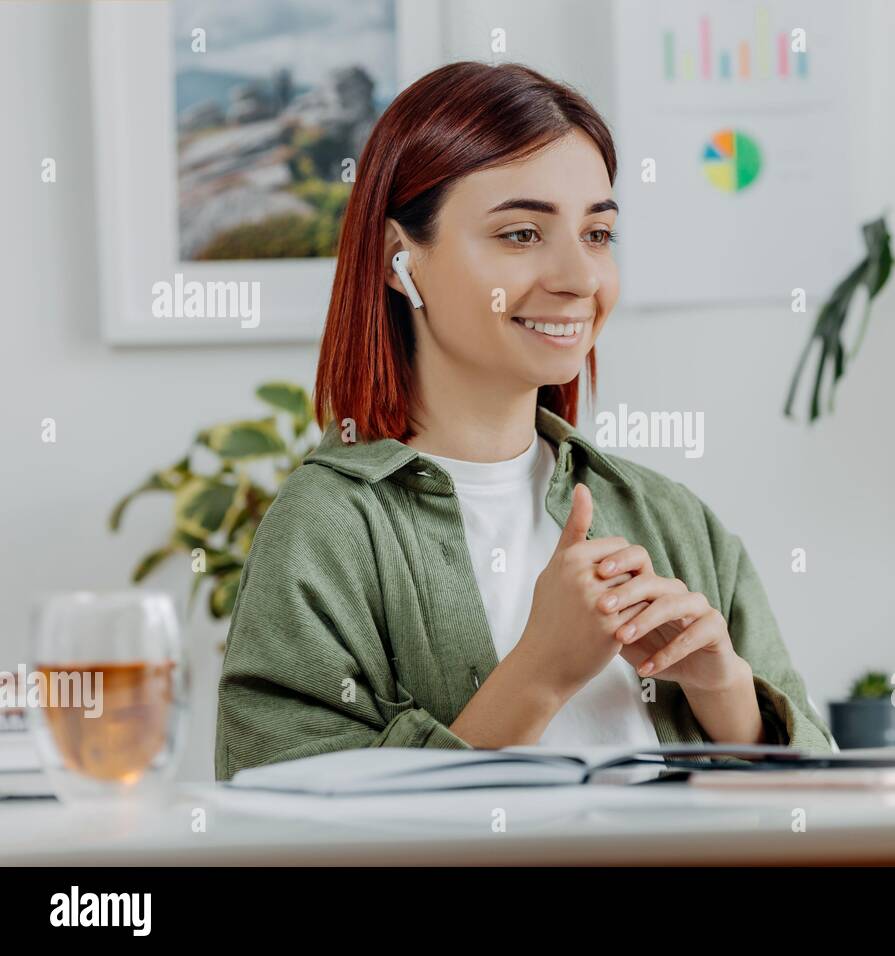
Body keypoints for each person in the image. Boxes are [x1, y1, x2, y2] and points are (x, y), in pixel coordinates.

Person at [215, 61, 834, 780]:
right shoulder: (325, 530)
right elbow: (284, 833)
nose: (579, 278)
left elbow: (814, 812)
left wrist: (723, 693)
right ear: (397, 259)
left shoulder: (672, 520)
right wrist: (540, 673)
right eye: (521, 235)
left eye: (598, 234)